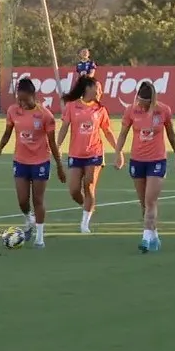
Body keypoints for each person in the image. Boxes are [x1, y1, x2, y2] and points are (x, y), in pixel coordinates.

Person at [0, 77, 65, 248]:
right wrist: (0, 148)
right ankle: (29, 219)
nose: (22, 103)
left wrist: (60, 166)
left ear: (33, 95)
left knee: (38, 200)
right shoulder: (13, 111)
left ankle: (40, 237)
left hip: (40, 161)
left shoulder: (45, 115)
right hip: (20, 161)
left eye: (25, 100)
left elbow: (52, 143)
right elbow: (8, 132)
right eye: (19, 99)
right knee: (22, 200)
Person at [114, 81, 175, 253]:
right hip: (137, 160)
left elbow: (172, 135)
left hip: (157, 160)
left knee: (150, 200)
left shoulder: (163, 110)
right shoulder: (131, 110)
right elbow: (123, 134)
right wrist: (118, 153)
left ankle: (145, 238)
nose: (141, 106)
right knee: (143, 203)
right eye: (139, 102)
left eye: (145, 104)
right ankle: (154, 236)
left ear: (151, 101)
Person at [56, 75, 118, 233]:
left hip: (94, 153)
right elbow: (64, 128)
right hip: (76, 154)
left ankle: (85, 223)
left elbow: (107, 131)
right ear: (88, 88)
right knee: (74, 190)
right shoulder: (72, 106)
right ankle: (88, 206)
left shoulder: (100, 109)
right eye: (98, 88)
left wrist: (118, 151)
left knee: (89, 184)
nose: (100, 92)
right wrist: (57, 146)